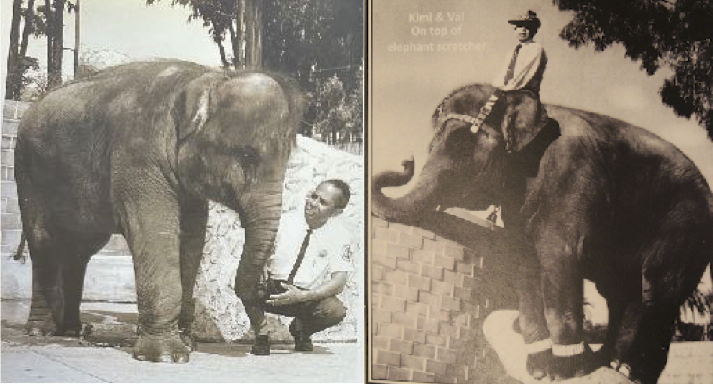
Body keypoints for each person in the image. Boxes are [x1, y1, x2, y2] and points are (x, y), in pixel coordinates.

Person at [249, 179, 354, 355]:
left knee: (336, 311)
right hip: (271, 288)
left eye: (323, 202)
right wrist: (260, 268)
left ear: (336, 212)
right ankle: (261, 334)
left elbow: (339, 280)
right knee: (244, 282)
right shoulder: (283, 221)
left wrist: (304, 295)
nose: (313, 203)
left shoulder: (340, 235)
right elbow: (258, 251)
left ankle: (301, 330)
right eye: (314, 196)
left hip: (305, 296)